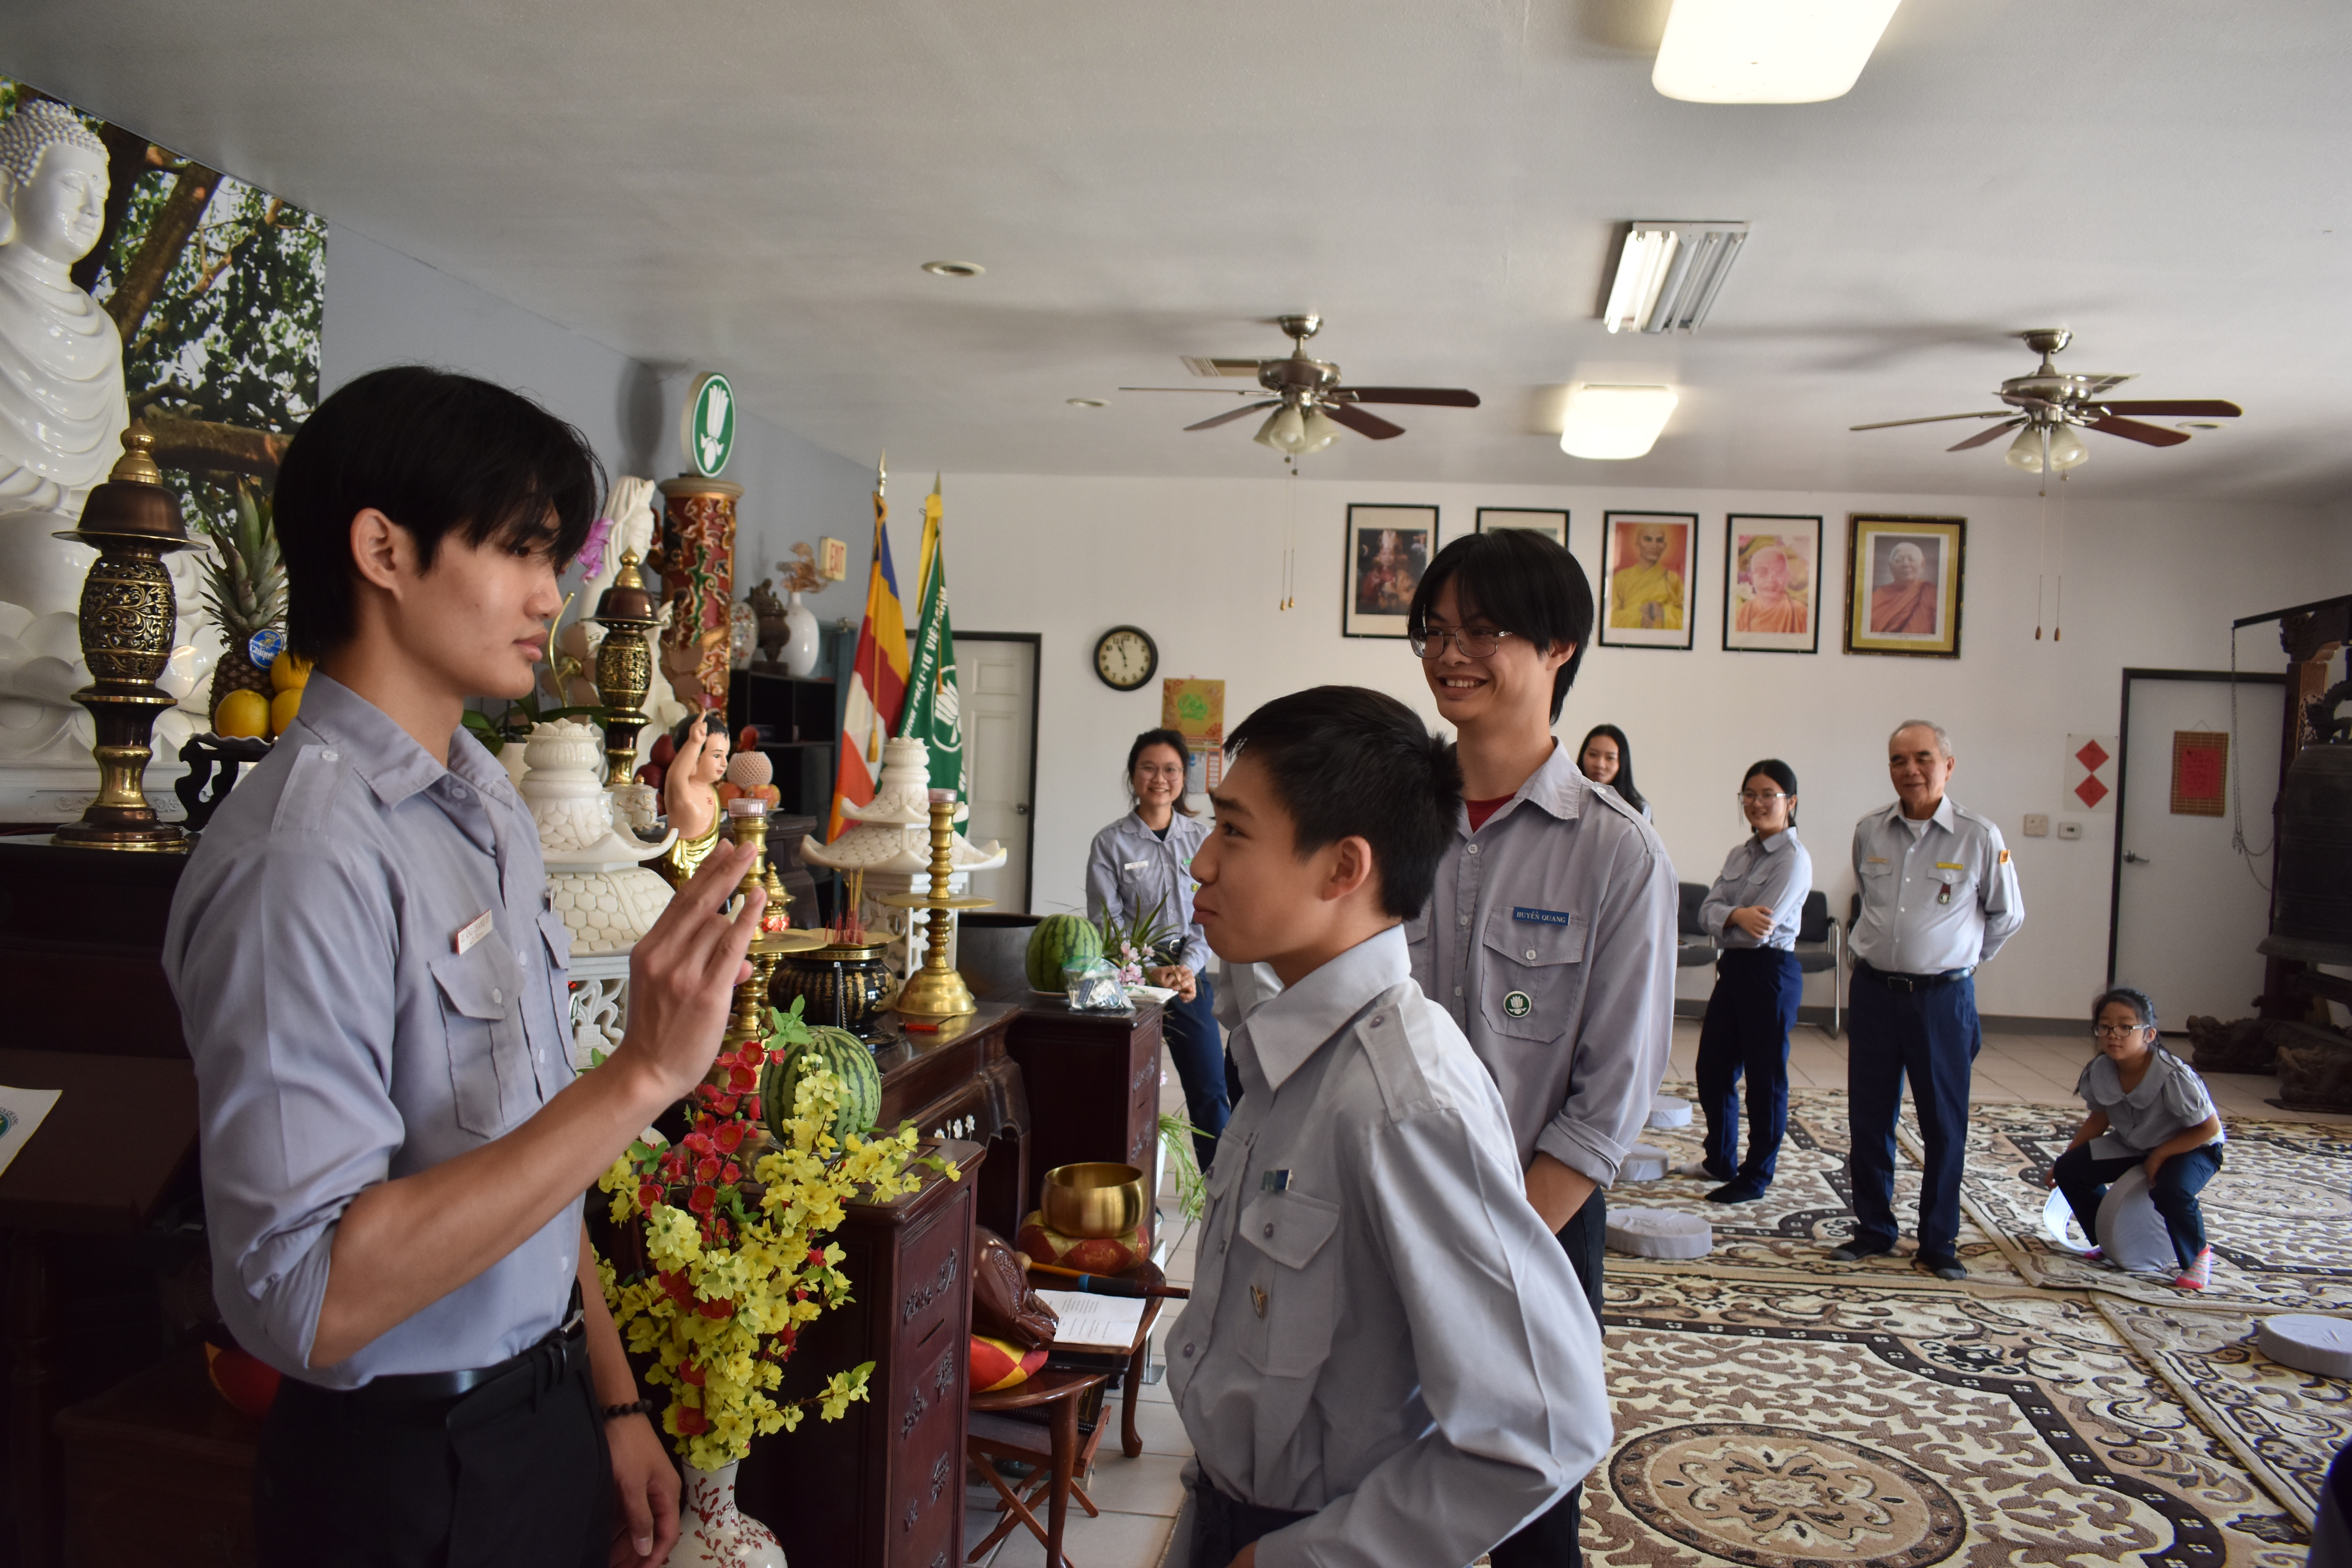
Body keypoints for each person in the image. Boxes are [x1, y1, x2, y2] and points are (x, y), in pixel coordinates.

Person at [163, 366, 766, 1568]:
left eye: (554, 554)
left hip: (542, 1412)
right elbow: (308, 1296)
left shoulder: (485, 801)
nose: (552, 594)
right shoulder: (304, 857)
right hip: (401, 1472)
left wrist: (612, 1402)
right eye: (518, 550)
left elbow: (529, 1149)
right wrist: (642, 1073)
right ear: (383, 550)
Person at [1166, 685, 1608, 1568]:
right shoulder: (1295, 1053)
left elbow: (1545, 1428)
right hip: (1226, 1507)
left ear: (1344, 868)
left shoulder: (1403, 1101)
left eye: (1234, 831)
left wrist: (1301, 1559)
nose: (1201, 863)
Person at [1406, 529, 1678, 1568]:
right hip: (1388, 1209)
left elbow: (1610, 1097)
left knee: (1527, 1506)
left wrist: (1493, 1247)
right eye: (1435, 631)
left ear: (1559, 646)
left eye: (1483, 631)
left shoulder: (1616, 851)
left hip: (1538, 1228)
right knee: (1378, 1488)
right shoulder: (1389, 823)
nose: (1450, 653)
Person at [1833, 720, 2024, 1281]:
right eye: (1898, 760)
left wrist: (1961, 960)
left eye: (1922, 758)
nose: (1910, 770)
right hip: (1874, 993)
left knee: (1943, 1123)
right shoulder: (1870, 830)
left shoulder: (1979, 836)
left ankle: (1939, 1241)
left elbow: (2007, 914)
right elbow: (1867, 901)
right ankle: (1874, 1229)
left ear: (1948, 766)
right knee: (1870, 1117)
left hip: (1942, 1000)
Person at [1087, 728, 1229, 1167]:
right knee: (1125, 1092)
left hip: (1187, 976)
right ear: (1133, 775)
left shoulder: (1203, 839)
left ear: (1184, 777)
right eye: (1149, 768)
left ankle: (1219, 1187)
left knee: (1210, 1090)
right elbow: (1106, 923)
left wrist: (1187, 968)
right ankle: (1122, 1183)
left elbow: (1210, 912)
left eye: (1171, 769)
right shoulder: (1111, 843)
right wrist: (1146, 971)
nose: (1160, 779)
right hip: (1131, 979)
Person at [1688, 760, 1812, 1203]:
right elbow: (1705, 913)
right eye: (1750, 795)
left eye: (1768, 795)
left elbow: (1760, 930)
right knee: (1712, 1069)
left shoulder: (1794, 859)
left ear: (1790, 802)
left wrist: (1730, 919)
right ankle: (1719, 1159)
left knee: (1765, 1079)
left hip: (1771, 973)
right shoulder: (1740, 854)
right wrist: (1738, 915)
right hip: (1735, 970)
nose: (1757, 804)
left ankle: (1756, 1174)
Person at [2046, 987, 2226, 1290]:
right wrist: (2062, 1161)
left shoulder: (2173, 1075)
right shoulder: (2101, 1069)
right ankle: (2111, 1239)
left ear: (2149, 1034)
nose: (2113, 1035)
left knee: (2171, 1191)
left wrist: (2161, 1155)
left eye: (2126, 1027)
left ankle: (2198, 1255)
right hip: (2137, 1143)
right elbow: (2099, 1119)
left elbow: (2207, 1129)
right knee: (2070, 1171)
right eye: (2105, 1027)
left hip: (2192, 1146)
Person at [1607, 522, 1683, 630]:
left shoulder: (1672, 579)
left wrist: (1664, 612)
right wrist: (1638, 618)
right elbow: (1608, 617)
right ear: (1638, 543)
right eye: (1648, 539)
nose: (1654, 546)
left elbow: (1688, 619)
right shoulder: (1621, 578)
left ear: (1665, 546)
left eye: (1660, 540)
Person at [1733, 538, 1808, 635]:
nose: (1771, 579)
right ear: (1752, 578)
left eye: (1777, 572)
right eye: (1762, 572)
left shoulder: (1801, 613)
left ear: (1787, 576)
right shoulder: (1742, 614)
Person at [1575, 722, 1648, 819]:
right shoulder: (1568, 798)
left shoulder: (1638, 809)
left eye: (1610, 758)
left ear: (1622, 762)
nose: (1600, 765)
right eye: (1593, 754)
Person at [1868, 541, 1938, 634]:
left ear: (1922, 564)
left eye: (1912, 559)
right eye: (1899, 560)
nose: (1906, 564)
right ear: (1891, 566)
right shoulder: (1878, 596)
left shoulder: (1931, 593)